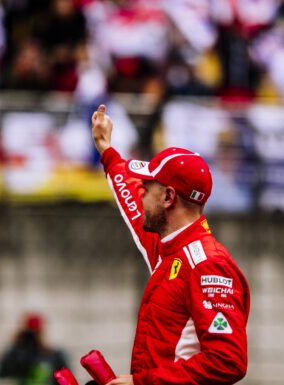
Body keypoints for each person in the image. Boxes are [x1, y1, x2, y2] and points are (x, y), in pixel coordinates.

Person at [91, 104, 250, 385]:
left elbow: (229, 360)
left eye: (148, 188)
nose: (141, 194)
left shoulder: (207, 264)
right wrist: (107, 150)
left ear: (168, 198)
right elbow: (130, 197)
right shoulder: (169, 247)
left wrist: (142, 383)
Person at [0, 314, 67, 385]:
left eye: (37, 333)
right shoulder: (18, 354)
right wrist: (17, 345)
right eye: (31, 334)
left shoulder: (54, 356)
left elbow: (65, 380)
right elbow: (1, 372)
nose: (33, 337)